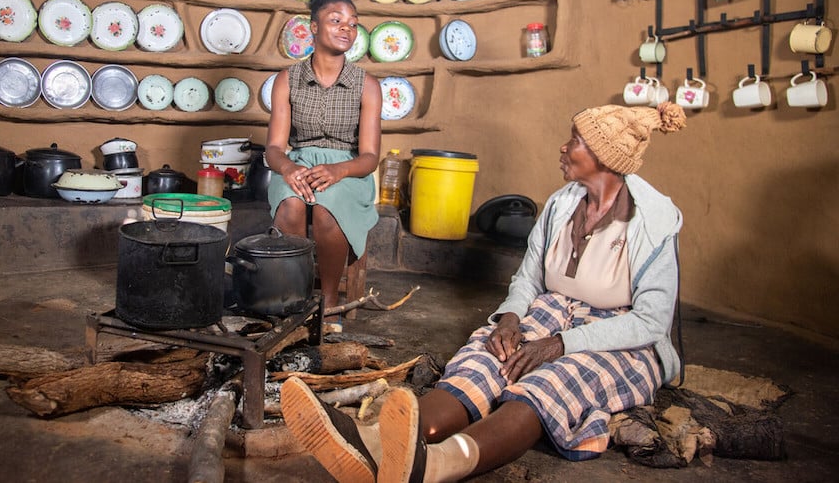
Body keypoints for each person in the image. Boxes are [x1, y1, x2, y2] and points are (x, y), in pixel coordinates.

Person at [281, 102, 688, 483]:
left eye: (576, 141)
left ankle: (436, 465)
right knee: (483, 360)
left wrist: (560, 345)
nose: (564, 148)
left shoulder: (651, 221)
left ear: (605, 157)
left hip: (619, 333)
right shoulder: (563, 204)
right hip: (552, 310)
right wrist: (510, 318)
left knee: (548, 384)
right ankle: (370, 441)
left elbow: (651, 321)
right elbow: (528, 279)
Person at [265, 0, 382, 322]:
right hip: (298, 163)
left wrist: (339, 171)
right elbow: (274, 148)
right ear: (313, 27)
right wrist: (287, 168)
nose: (347, 28)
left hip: (349, 169)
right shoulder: (287, 79)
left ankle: (329, 302)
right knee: (291, 202)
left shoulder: (367, 85)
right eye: (336, 20)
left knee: (329, 208)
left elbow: (370, 157)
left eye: (353, 23)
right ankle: (293, 295)